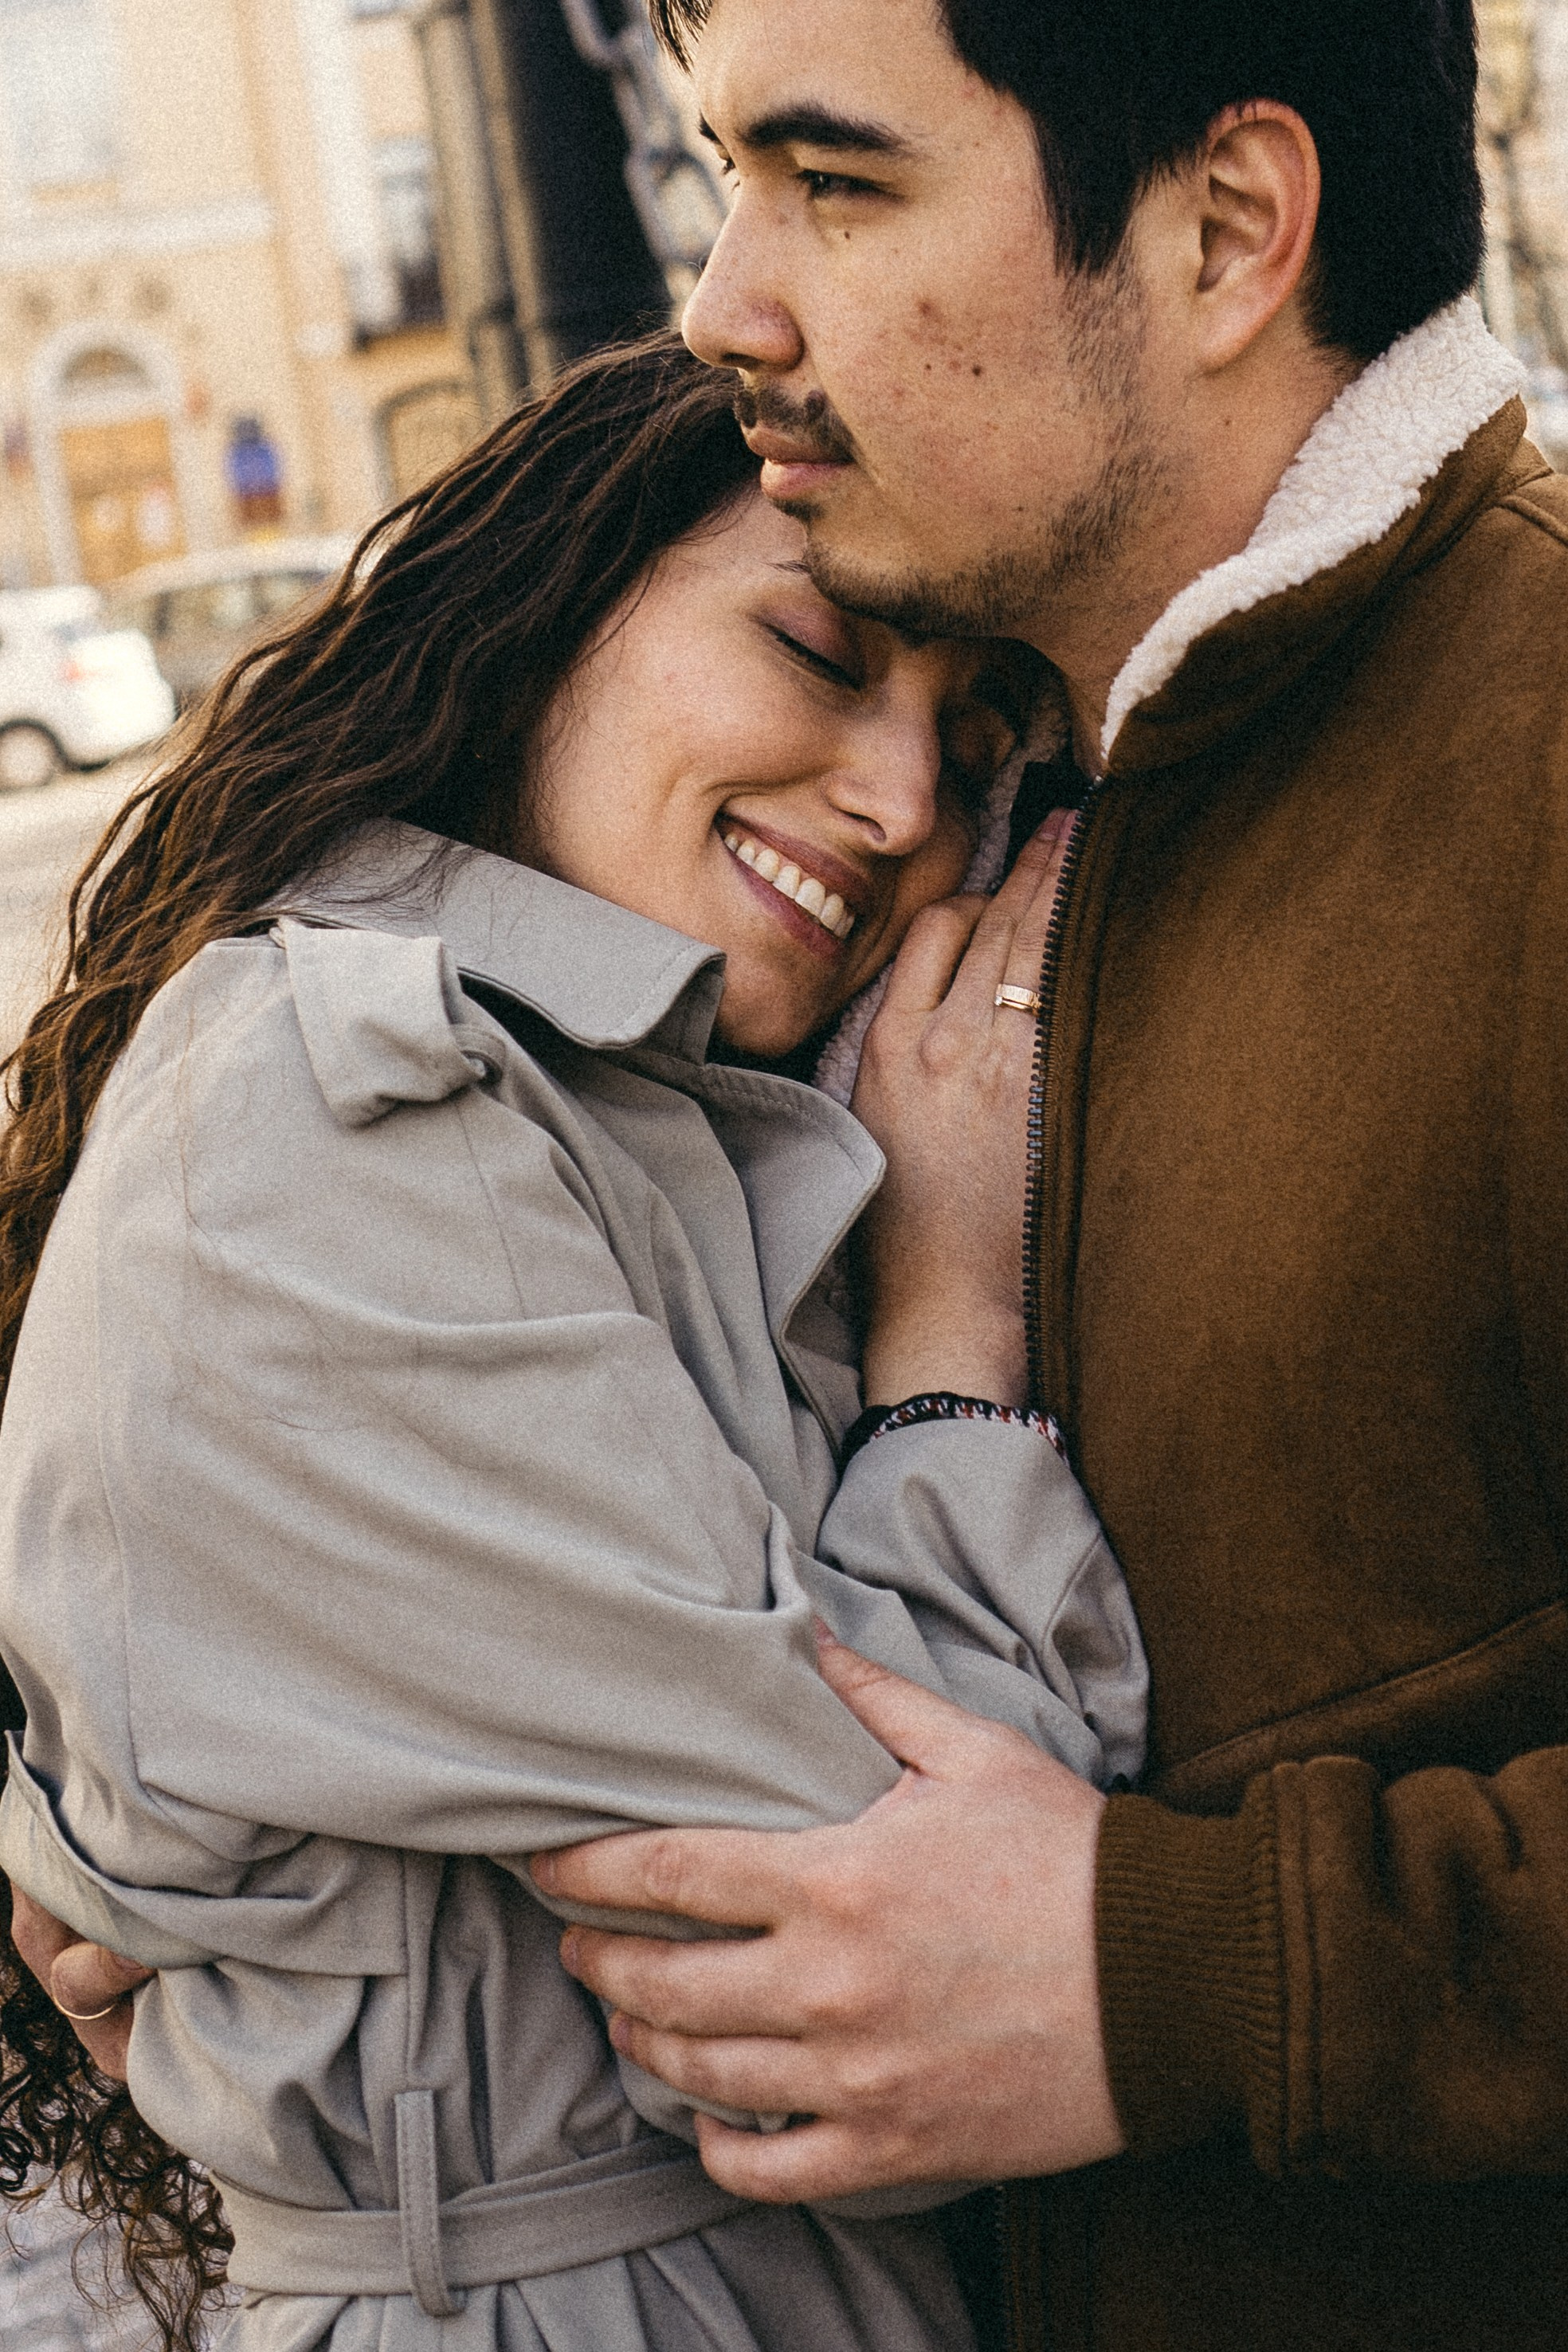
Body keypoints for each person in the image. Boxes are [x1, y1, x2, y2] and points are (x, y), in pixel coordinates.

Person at [429, 4, 1566, 2350]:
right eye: (726, 174)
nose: (725, 299)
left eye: (837, 186)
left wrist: (1177, 1981)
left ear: (1227, 230)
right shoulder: (937, 771)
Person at [0, 334, 1147, 2352]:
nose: (899, 800)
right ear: (545, 621)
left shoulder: (643, 1117)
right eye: (816, 653)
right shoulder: (328, 1117)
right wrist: (952, 1312)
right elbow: (890, 1971)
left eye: (971, 748)